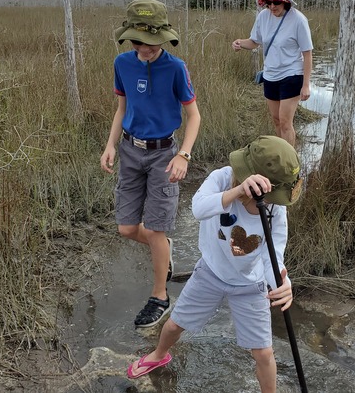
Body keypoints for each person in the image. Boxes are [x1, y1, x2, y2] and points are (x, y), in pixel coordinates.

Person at [126, 136, 303, 393]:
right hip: (210, 272)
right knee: (175, 324)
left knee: (264, 353)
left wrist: (282, 283)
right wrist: (238, 191)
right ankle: (159, 354)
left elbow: (273, 255)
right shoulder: (222, 178)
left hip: (250, 285)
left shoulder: (275, 208)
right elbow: (198, 209)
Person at [101, 0, 201, 328]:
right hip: (130, 151)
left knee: (155, 229)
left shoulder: (175, 67)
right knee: (127, 228)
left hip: (163, 154)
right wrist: (111, 145)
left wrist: (182, 155)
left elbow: (194, 116)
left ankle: (160, 295)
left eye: (150, 42)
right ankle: (163, 249)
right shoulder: (122, 64)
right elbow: (120, 109)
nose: (144, 49)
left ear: (162, 38)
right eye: (137, 42)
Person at [232, 0, 314, 147]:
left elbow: (307, 54)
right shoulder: (263, 17)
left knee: (285, 122)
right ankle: (281, 158)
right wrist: (240, 43)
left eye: (276, 2)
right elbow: (254, 42)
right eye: (268, 2)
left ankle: (291, 165)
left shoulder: (298, 20)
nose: (272, 6)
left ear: (285, 1)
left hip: (292, 74)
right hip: (270, 75)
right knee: (276, 121)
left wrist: (306, 85)